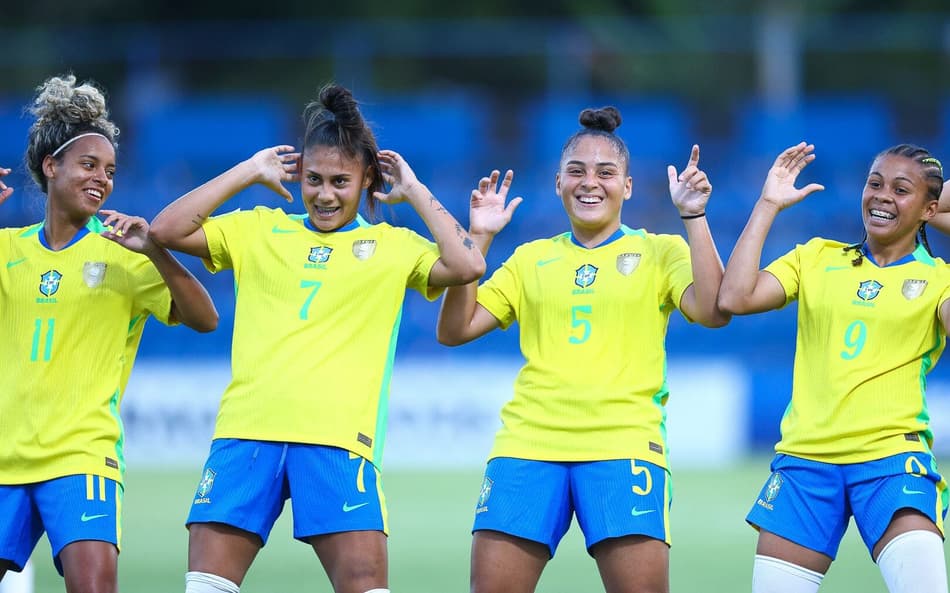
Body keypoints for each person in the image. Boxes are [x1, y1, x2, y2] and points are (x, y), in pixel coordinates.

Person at [147, 83, 485, 593]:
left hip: (338, 442)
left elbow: (468, 264)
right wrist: (249, 172)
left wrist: (413, 190)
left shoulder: (392, 245)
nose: (325, 194)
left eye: (341, 182)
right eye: (314, 179)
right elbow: (165, 230)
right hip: (246, 434)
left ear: (367, 178)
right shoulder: (260, 228)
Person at [436, 106, 729, 593]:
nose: (589, 183)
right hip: (528, 447)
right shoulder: (530, 258)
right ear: (557, 183)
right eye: (576, 171)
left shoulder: (662, 251)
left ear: (628, 187)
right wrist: (480, 237)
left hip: (624, 447)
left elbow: (713, 312)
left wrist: (693, 216)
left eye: (605, 173)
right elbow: (454, 330)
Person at [0, 74, 218, 592]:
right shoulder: (8, 249)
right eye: (89, 165)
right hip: (4, 456)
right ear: (51, 167)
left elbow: (205, 319)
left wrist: (156, 252)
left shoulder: (126, 252)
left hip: (82, 456)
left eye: (111, 170)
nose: (103, 179)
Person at [717, 142, 950, 593]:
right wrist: (768, 205)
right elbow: (734, 297)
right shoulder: (817, 257)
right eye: (875, 183)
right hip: (806, 463)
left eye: (901, 190)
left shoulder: (939, 277)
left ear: (930, 209)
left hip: (891, 462)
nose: (881, 196)